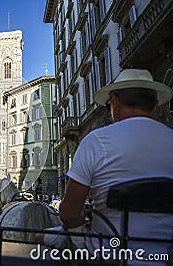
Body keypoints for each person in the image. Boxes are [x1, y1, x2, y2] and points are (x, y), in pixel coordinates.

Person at [35, 69, 173, 263]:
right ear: (155, 104)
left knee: (39, 237)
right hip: (165, 255)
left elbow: (68, 214)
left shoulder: (96, 141)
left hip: (108, 253)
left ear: (115, 102)